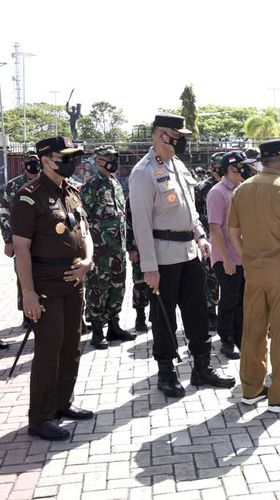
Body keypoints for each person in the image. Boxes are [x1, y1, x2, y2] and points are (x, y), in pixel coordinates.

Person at [129, 113, 234, 398]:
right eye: (178, 136)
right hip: (162, 257)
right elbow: (140, 224)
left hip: (189, 254)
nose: (182, 141)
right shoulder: (143, 172)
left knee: (198, 313)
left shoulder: (178, 166)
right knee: (164, 319)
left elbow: (190, 210)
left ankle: (202, 367)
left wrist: (200, 236)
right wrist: (149, 267)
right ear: (161, 134)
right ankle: (166, 372)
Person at [11, 136, 95, 440]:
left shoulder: (72, 191)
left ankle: (63, 403)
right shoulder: (28, 196)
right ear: (47, 160)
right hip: (45, 282)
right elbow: (21, 250)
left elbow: (84, 232)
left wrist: (88, 261)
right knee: (49, 349)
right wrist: (28, 293)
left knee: (72, 345)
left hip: (75, 280)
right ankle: (40, 417)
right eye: (66, 156)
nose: (72, 162)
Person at [228, 139, 280, 413]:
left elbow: (233, 233)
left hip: (255, 273)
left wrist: (248, 259)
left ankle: (251, 390)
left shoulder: (242, 189)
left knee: (252, 331)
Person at [80, 145, 135, 349]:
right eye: (107, 158)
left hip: (117, 250)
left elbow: (122, 217)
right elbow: (82, 221)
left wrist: (129, 246)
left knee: (117, 287)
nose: (112, 161)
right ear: (97, 161)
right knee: (97, 289)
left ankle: (114, 326)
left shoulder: (116, 184)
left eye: (114, 157)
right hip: (99, 252)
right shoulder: (90, 186)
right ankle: (97, 331)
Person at [207, 151, 254, 360]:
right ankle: (226, 340)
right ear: (230, 168)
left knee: (243, 299)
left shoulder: (242, 190)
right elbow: (215, 229)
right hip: (226, 256)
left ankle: (240, 337)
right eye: (240, 167)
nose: (244, 170)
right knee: (229, 299)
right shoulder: (217, 193)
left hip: (242, 255)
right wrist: (226, 258)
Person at [1, 150, 41, 338]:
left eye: (35, 161)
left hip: (41, 238)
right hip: (20, 238)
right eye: (29, 162)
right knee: (22, 274)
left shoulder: (45, 182)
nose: (33, 165)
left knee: (42, 274)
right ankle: (26, 313)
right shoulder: (13, 185)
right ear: (24, 164)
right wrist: (8, 240)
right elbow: (4, 214)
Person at [195, 152, 223, 331]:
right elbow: (195, 213)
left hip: (228, 237)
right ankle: (210, 312)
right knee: (210, 277)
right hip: (209, 239)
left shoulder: (233, 185)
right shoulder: (202, 188)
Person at [126, 197, 150, 333]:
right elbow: (128, 222)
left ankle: (156, 315)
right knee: (139, 282)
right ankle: (140, 316)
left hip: (160, 243)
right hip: (139, 244)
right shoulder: (135, 195)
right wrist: (131, 248)